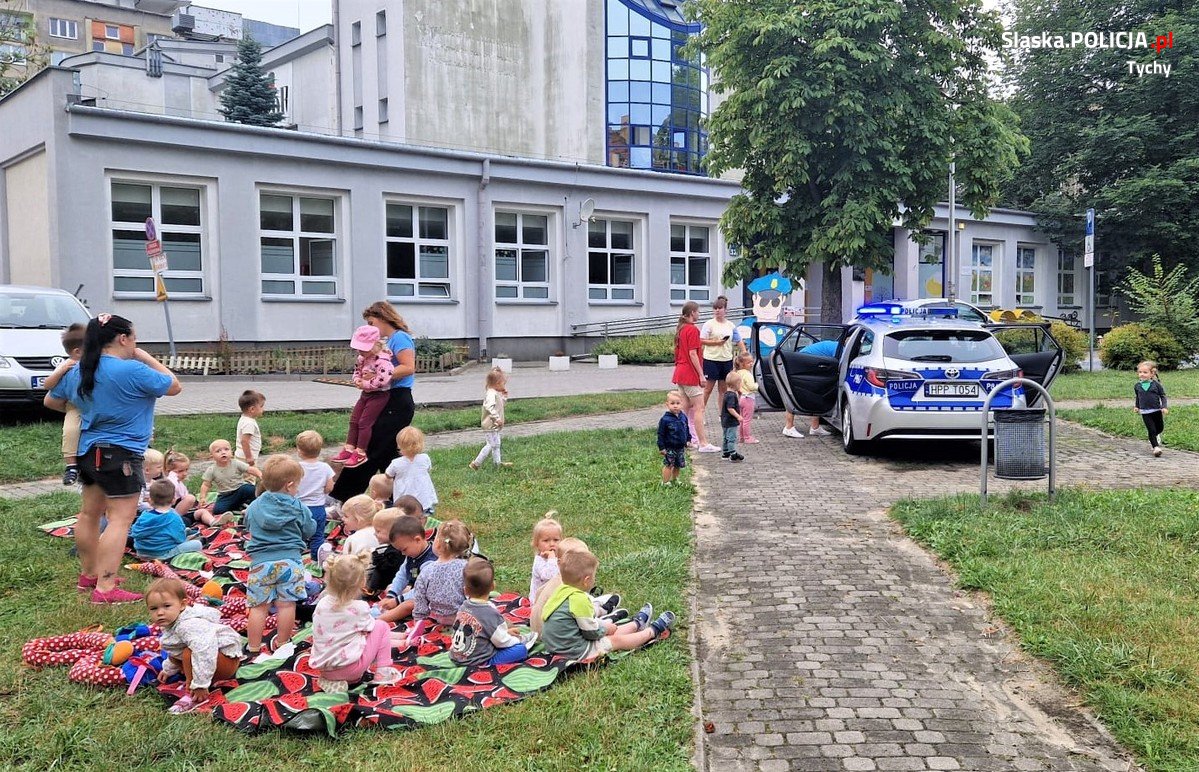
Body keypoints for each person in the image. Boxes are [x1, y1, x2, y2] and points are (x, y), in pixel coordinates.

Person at [43, 313, 182, 604]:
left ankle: (89, 576)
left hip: (87, 451)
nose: (135, 343)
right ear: (123, 338)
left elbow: (52, 401)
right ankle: (106, 588)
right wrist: (144, 356)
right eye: (134, 338)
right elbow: (173, 385)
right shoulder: (132, 369)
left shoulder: (81, 370)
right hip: (122, 455)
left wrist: (85, 407)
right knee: (120, 519)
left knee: (89, 515)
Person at [330, 302, 417, 501]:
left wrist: (377, 376)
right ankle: (401, 498)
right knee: (387, 453)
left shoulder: (400, 338)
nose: (369, 327)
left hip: (397, 400)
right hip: (386, 398)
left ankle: (343, 496)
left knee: (370, 449)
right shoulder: (388, 341)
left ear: (383, 317)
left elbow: (408, 367)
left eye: (371, 322)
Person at [243, 455, 316, 662]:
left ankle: (254, 646)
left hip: (260, 564)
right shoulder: (298, 507)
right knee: (287, 605)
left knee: (258, 607)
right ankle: (282, 642)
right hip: (290, 563)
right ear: (290, 485)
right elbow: (309, 530)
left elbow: (248, 525)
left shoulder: (255, 506)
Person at [541, 550, 675, 662]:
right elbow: (591, 633)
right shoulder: (579, 600)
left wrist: (606, 627)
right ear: (587, 580)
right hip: (573, 651)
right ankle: (652, 631)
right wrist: (606, 630)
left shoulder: (561, 591)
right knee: (616, 640)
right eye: (594, 575)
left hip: (555, 645)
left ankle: (636, 624)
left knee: (610, 630)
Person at [148, 578, 243, 714]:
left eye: (166, 606)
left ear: (182, 605)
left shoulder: (188, 625)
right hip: (211, 658)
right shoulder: (172, 622)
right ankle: (193, 678)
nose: (160, 612)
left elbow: (204, 651)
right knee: (179, 650)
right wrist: (168, 669)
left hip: (225, 659)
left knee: (189, 653)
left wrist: (200, 685)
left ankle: (194, 695)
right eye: (154, 608)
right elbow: (176, 648)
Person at [309, 552, 401, 693]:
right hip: (351, 670)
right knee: (381, 626)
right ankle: (384, 673)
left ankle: (333, 681)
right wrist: (401, 639)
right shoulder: (359, 608)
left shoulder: (321, 604)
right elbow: (373, 632)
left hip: (324, 669)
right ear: (363, 581)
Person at [451, 557, 538, 667]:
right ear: (493, 586)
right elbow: (502, 642)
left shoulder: (463, 606)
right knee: (520, 650)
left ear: (465, 590)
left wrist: (505, 633)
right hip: (479, 660)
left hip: (457, 657)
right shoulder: (490, 613)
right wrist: (516, 640)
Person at [332, 325, 396, 469]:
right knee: (354, 420)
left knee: (364, 423)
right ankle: (349, 448)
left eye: (363, 348)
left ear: (375, 345)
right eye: (359, 348)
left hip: (379, 395)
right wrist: (357, 381)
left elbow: (383, 380)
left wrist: (366, 383)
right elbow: (356, 372)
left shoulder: (383, 360)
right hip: (365, 394)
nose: (360, 351)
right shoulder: (362, 358)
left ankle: (360, 452)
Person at [407, 519, 473, 644]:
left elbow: (420, 599)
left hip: (437, 617)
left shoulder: (427, 571)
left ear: (437, 545)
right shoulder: (468, 568)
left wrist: (418, 620)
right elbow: (471, 594)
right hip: (462, 616)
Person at [671, 301, 718, 453]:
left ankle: (683, 439)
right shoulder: (692, 330)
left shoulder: (681, 329)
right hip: (689, 374)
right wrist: (701, 375)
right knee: (699, 408)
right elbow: (693, 354)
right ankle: (703, 443)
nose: (699, 314)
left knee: (684, 408)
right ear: (692, 313)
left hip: (680, 372)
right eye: (697, 312)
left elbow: (678, 354)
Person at [376, 513, 437, 623]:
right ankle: (387, 607)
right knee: (391, 588)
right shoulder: (412, 555)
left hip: (431, 597)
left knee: (407, 605)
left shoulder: (430, 562)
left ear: (417, 540)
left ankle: (379, 620)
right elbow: (402, 574)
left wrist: (398, 600)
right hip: (416, 589)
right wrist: (391, 595)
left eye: (404, 549)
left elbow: (422, 591)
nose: (403, 554)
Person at [130, 479, 203, 559]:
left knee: (180, 531)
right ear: (173, 501)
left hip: (141, 552)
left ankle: (188, 532)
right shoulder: (173, 517)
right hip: (161, 554)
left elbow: (135, 532)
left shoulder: (144, 515)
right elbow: (180, 539)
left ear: (150, 501)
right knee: (197, 544)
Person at [699, 295, 747, 412]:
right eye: (715, 308)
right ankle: (701, 412)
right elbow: (701, 340)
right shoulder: (708, 324)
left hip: (726, 360)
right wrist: (715, 342)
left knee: (723, 389)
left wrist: (745, 353)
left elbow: (738, 340)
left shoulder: (730, 325)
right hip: (711, 359)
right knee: (708, 389)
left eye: (720, 308)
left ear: (725, 310)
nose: (717, 311)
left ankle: (722, 414)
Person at [783, 339, 838, 438]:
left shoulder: (836, 345)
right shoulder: (840, 348)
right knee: (795, 394)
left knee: (816, 393)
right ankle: (788, 427)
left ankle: (815, 427)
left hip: (808, 361)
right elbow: (839, 364)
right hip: (804, 362)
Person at [295, 430, 336, 559]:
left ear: (299, 451)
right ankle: (316, 558)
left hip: (298, 507)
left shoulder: (296, 467)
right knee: (318, 536)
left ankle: (295, 556)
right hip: (318, 507)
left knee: (296, 534)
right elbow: (330, 487)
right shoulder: (325, 467)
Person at [197, 439, 262, 517]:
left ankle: (252, 505)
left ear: (232, 452)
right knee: (218, 510)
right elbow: (206, 485)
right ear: (212, 456)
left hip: (240, 489)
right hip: (226, 495)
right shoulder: (212, 470)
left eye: (226, 449)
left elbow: (250, 469)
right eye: (218, 451)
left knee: (250, 489)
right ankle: (238, 507)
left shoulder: (236, 463)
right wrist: (202, 497)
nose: (223, 452)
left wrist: (261, 475)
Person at [58, 323, 86, 486]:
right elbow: (48, 386)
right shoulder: (68, 366)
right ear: (77, 352)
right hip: (74, 406)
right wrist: (59, 371)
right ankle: (71, 465)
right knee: (70, 430)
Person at [386, 426, 437, 513]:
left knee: (404, 514)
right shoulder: (425, 458)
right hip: (424, 497)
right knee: (424, 514)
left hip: (404, 497)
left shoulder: (396, 463)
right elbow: (428, 469)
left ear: (399, 445)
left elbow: (388, 474)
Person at [470, 367, 512, 469]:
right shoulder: (491, 394)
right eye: (503, 383)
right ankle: (476, 463)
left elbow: (499, 406)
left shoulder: (494, 393)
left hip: (494, 425)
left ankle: (497, 463)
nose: (504, 385)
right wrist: (496, 418)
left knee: (496, 444)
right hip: (490, 424)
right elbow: (489, 407)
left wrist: (504, 397)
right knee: (491, 444)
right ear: (497, 383)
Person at [364, 506, 405, 596]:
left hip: (383, 588)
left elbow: (387, 568)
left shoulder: (396, 552)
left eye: (378, 531)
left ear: (393, 533)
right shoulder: (392, 548)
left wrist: (376, 557)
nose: (375, 534)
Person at [1133, 360, 1168, 457]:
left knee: (1159, 428)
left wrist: (1164, 407)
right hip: (1145, 412)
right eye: (1140, 372)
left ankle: (1154, 437)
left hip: (1156, 410)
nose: (1142, 374)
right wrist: (1137, 406)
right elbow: (1138, 397)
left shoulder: (1156, 385)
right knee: (1151, 430)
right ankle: (1156, 447)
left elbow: (1163, 396)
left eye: (1145, 372)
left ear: (1152, 373)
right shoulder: (1137, 386)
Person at [657, 391, 690, 485]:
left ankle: (675, 480)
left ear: (682, 403)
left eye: (678, 403)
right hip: (669, 447)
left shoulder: (683, 416)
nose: (675, 406)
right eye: (672, 403)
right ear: (667, 404)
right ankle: (665, 482)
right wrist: (661, 447)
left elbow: (686, 428)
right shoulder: (665, 419)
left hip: (680, 446)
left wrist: (688, 439)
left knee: (678, 464)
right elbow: (660, 434)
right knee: (669, 464)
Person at [529, 514, 563, 600]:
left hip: (554, 598)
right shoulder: (539, 561)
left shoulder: (559, 557)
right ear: (536, 543)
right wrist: (551, 559)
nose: (552, 544)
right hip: (540, 602)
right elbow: (549, 576)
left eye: (556, 540)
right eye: (546, 540)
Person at [163, 450, 201, 525]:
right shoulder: (170, 481)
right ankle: (173, 521)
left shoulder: (179, 482)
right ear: (169, 471)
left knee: (199, 513)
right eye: (180, 471)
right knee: (190, 498)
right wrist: (172, 475)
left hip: (177, 508)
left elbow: (184, 494)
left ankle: (213, 522)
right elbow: (176, 488)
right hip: (169, 510)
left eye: (186, 470)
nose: (185, 474)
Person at [234, 390, 265, 466]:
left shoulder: (244, 419)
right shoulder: (249, 423)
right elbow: (244, 441)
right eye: (261, 406)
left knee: (242, 476)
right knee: (250, 476)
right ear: (252, 409)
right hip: (246, 458)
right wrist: (249, 457)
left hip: (241, 455)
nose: (263, 409)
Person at [734, 354, 760, 444]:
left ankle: (741, 437)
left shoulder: (738, 373)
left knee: (742, 419)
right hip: (748, 398)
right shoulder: (748, 374)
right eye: (749, 362)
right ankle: (747, 437)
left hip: (740, 398)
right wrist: (757, 385)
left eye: (752, 361)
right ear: (743, 364)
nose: (751, 364)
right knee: (747, 420)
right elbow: (751, 387)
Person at [720, 372, 746, 462]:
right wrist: (738, 416)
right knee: (731, 437)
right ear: (736, 384)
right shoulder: (732, 395)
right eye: (740, 383)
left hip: (724, 420)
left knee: (725, 437)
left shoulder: (726, 394)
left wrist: (739, 394)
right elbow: (730, 408)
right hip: (731, 421)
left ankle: (725, 452)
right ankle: (733, 453)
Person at [138, 448, 166, 513]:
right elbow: (137, 505)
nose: (162, 469)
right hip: (142, 513)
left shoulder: (154, 482)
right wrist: (154, 506)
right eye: (159, 467)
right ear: (147, 470)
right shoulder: (140, 485)